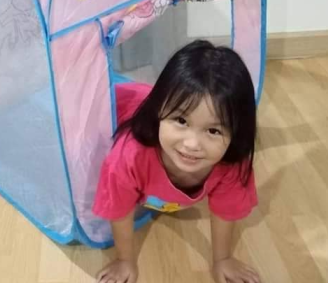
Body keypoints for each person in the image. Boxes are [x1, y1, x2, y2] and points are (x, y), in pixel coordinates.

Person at [93, 40, 261, 283]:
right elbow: (118, 206)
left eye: (213, 131)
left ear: (236, 133)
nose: (191, 144)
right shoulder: (130, 156)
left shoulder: (232, 163)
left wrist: (223, 259)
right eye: (181, 121)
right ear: (159, 111)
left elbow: (227, 209)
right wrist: (124, 260)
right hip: (117, 103)